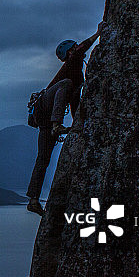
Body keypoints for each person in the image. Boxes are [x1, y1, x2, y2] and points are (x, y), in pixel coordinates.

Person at [26, 22, 104, 216]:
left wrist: (80, 123)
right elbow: (80, 51)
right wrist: (97, 34)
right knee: (67, 83)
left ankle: (33, 200)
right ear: (70, 52)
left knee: (43, 159)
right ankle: (56, 125)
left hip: (45, 120)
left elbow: (75, 103)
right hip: (47, 109)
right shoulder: (72, 66)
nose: (77, 50)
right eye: (74, 48)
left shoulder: (76, 76)